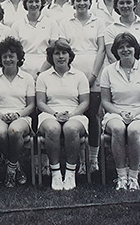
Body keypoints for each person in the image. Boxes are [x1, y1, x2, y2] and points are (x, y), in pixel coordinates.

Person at [101, 33, 140, 191]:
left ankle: (133, 177)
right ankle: (121, 177)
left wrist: (136, 113)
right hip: (115, 113)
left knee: (133, 130)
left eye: (129, 46)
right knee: (118, 129)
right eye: (121, 47)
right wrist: (120, 113)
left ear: (135, 49)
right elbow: (105, 101)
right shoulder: (108, 71)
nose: (125, 50)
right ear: (116, 51)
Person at [58, 0, 106, 174]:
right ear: (73, 2)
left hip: (94, 76)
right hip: (73, 77)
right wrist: (73, 75)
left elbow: (101, 50)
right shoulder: (65, 23)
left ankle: (92, 160)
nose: (82, 3)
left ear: (90, 1)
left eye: (85, 0)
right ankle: (78, 160)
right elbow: (63, 49)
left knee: (93, 117)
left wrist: (93, 75)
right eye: (78, 0)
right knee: (76, 117)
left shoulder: (98, 22)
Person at [36, 42, 90, 190]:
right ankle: (56, 173)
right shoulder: (44, 77)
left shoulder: (79, 76)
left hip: (75, 114)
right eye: (57, 53)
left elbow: (85, 102)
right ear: (51, 57)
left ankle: (70, 173)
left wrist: (72, 114)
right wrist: (54, 113)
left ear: (70, 55)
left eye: (64, 53)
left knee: (71, 129)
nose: (60, 57)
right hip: (49, 114)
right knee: (53, 129)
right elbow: (40, 102)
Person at [0, 36, 35, 187]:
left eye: (11, 56)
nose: (8, 59)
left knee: (14, 131)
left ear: (18, 58)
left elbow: (31, 106)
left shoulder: (27, 78)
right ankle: (15, 166)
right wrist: (1, 115)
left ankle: (10, 170)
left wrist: (17, 115)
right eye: (4, 56)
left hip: (22, 116)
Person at [10, 0, 58, 80]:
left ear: (42, 3)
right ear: (25, 3)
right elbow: (14, 52)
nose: (34, 5)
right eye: (30, 2)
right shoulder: (17, 25)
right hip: (22, 72)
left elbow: (53, 52)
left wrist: (41, 73)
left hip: (46, 71)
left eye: (37, 1)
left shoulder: (51, 23)